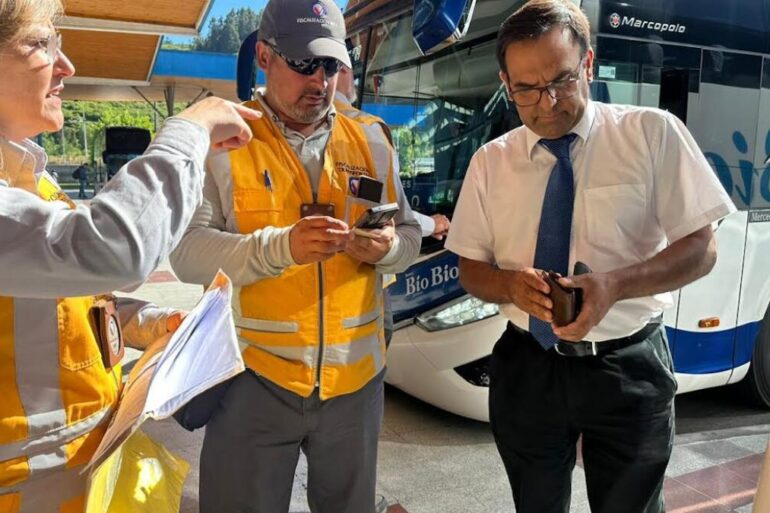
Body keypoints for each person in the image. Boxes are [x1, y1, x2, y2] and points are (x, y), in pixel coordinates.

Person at [444, 1, 736, 512]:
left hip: (627, 365)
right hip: (527, 366)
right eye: (526, 90)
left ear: (589, 65)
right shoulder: (490, 162)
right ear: (505, 84)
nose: (548, 102)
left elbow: (701, 248)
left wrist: (616, 285)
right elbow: (471, 267)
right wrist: (512, 286)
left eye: (562, 80)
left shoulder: (651, 133)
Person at [0, 0, 260, 511]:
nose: (66, 65)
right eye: (41, 43)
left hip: (81, 475)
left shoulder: (30, 177)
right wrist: (189, 129)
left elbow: (60, 297)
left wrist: (145, 323)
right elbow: (113, 248)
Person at [169, 1, 421, 512]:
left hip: (355, 383)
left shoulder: (372, 138)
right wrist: (280, 247)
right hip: (252, 381)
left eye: (331, 66)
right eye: (306, 64)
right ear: (264, 56)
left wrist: (388, 249)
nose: (321, 81)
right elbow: (186, 254)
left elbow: (410, 236)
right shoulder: (220, 139)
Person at [335, 64, 450, 348]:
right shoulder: (368, 132)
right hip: (361, 290)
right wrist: (434, 224)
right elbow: (388, 208)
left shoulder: (272, 128)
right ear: (343, 72)